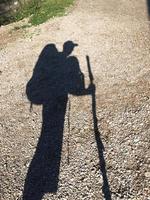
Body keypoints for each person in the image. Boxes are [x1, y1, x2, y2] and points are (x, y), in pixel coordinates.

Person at [23, 41, 92, 200]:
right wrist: (87, 91)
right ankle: (39, 187)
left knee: (46, 136)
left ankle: (38, 187)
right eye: (71, 48)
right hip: (56, 100)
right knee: (49, 137)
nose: (70, 51)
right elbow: (74, 88)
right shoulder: (69, 61)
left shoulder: (54, 61)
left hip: (47, 100)